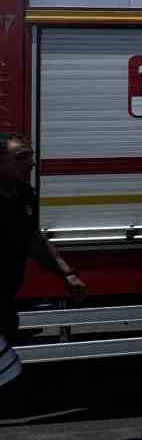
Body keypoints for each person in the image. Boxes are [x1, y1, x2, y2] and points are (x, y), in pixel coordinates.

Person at [2, 134, 88, 403]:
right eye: (21, 157)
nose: (31, 163)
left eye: (31, 156)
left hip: (4, 301)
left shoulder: (24, 195)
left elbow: (35, 240)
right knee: (10, 379)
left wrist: (67, 274)